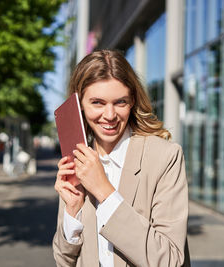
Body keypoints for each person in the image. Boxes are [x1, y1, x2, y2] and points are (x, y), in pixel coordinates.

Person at [53, 49, 189, 267]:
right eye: (97, 102)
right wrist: (72, 211)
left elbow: (170, 260)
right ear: (79, 104)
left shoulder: (165, 157)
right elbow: (62, 260)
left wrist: (105, 192)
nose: (109, 115)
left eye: (120, 102)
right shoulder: (78, 159)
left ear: (132, 101)